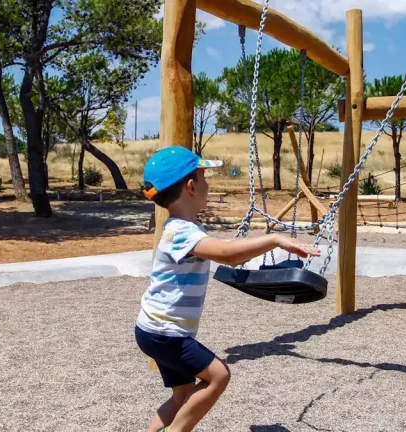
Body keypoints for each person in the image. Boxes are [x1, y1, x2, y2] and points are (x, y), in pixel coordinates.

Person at [135, 146, 321, 432]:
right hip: (165, 333)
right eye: (205, 178)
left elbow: (229, 253)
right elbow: (227, 254)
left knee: (183, 394)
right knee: (218, 376)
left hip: (155, 330)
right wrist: (275, 240)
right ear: (191, 186)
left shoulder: (182, 228)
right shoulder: (181, 232)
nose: (209, 184)